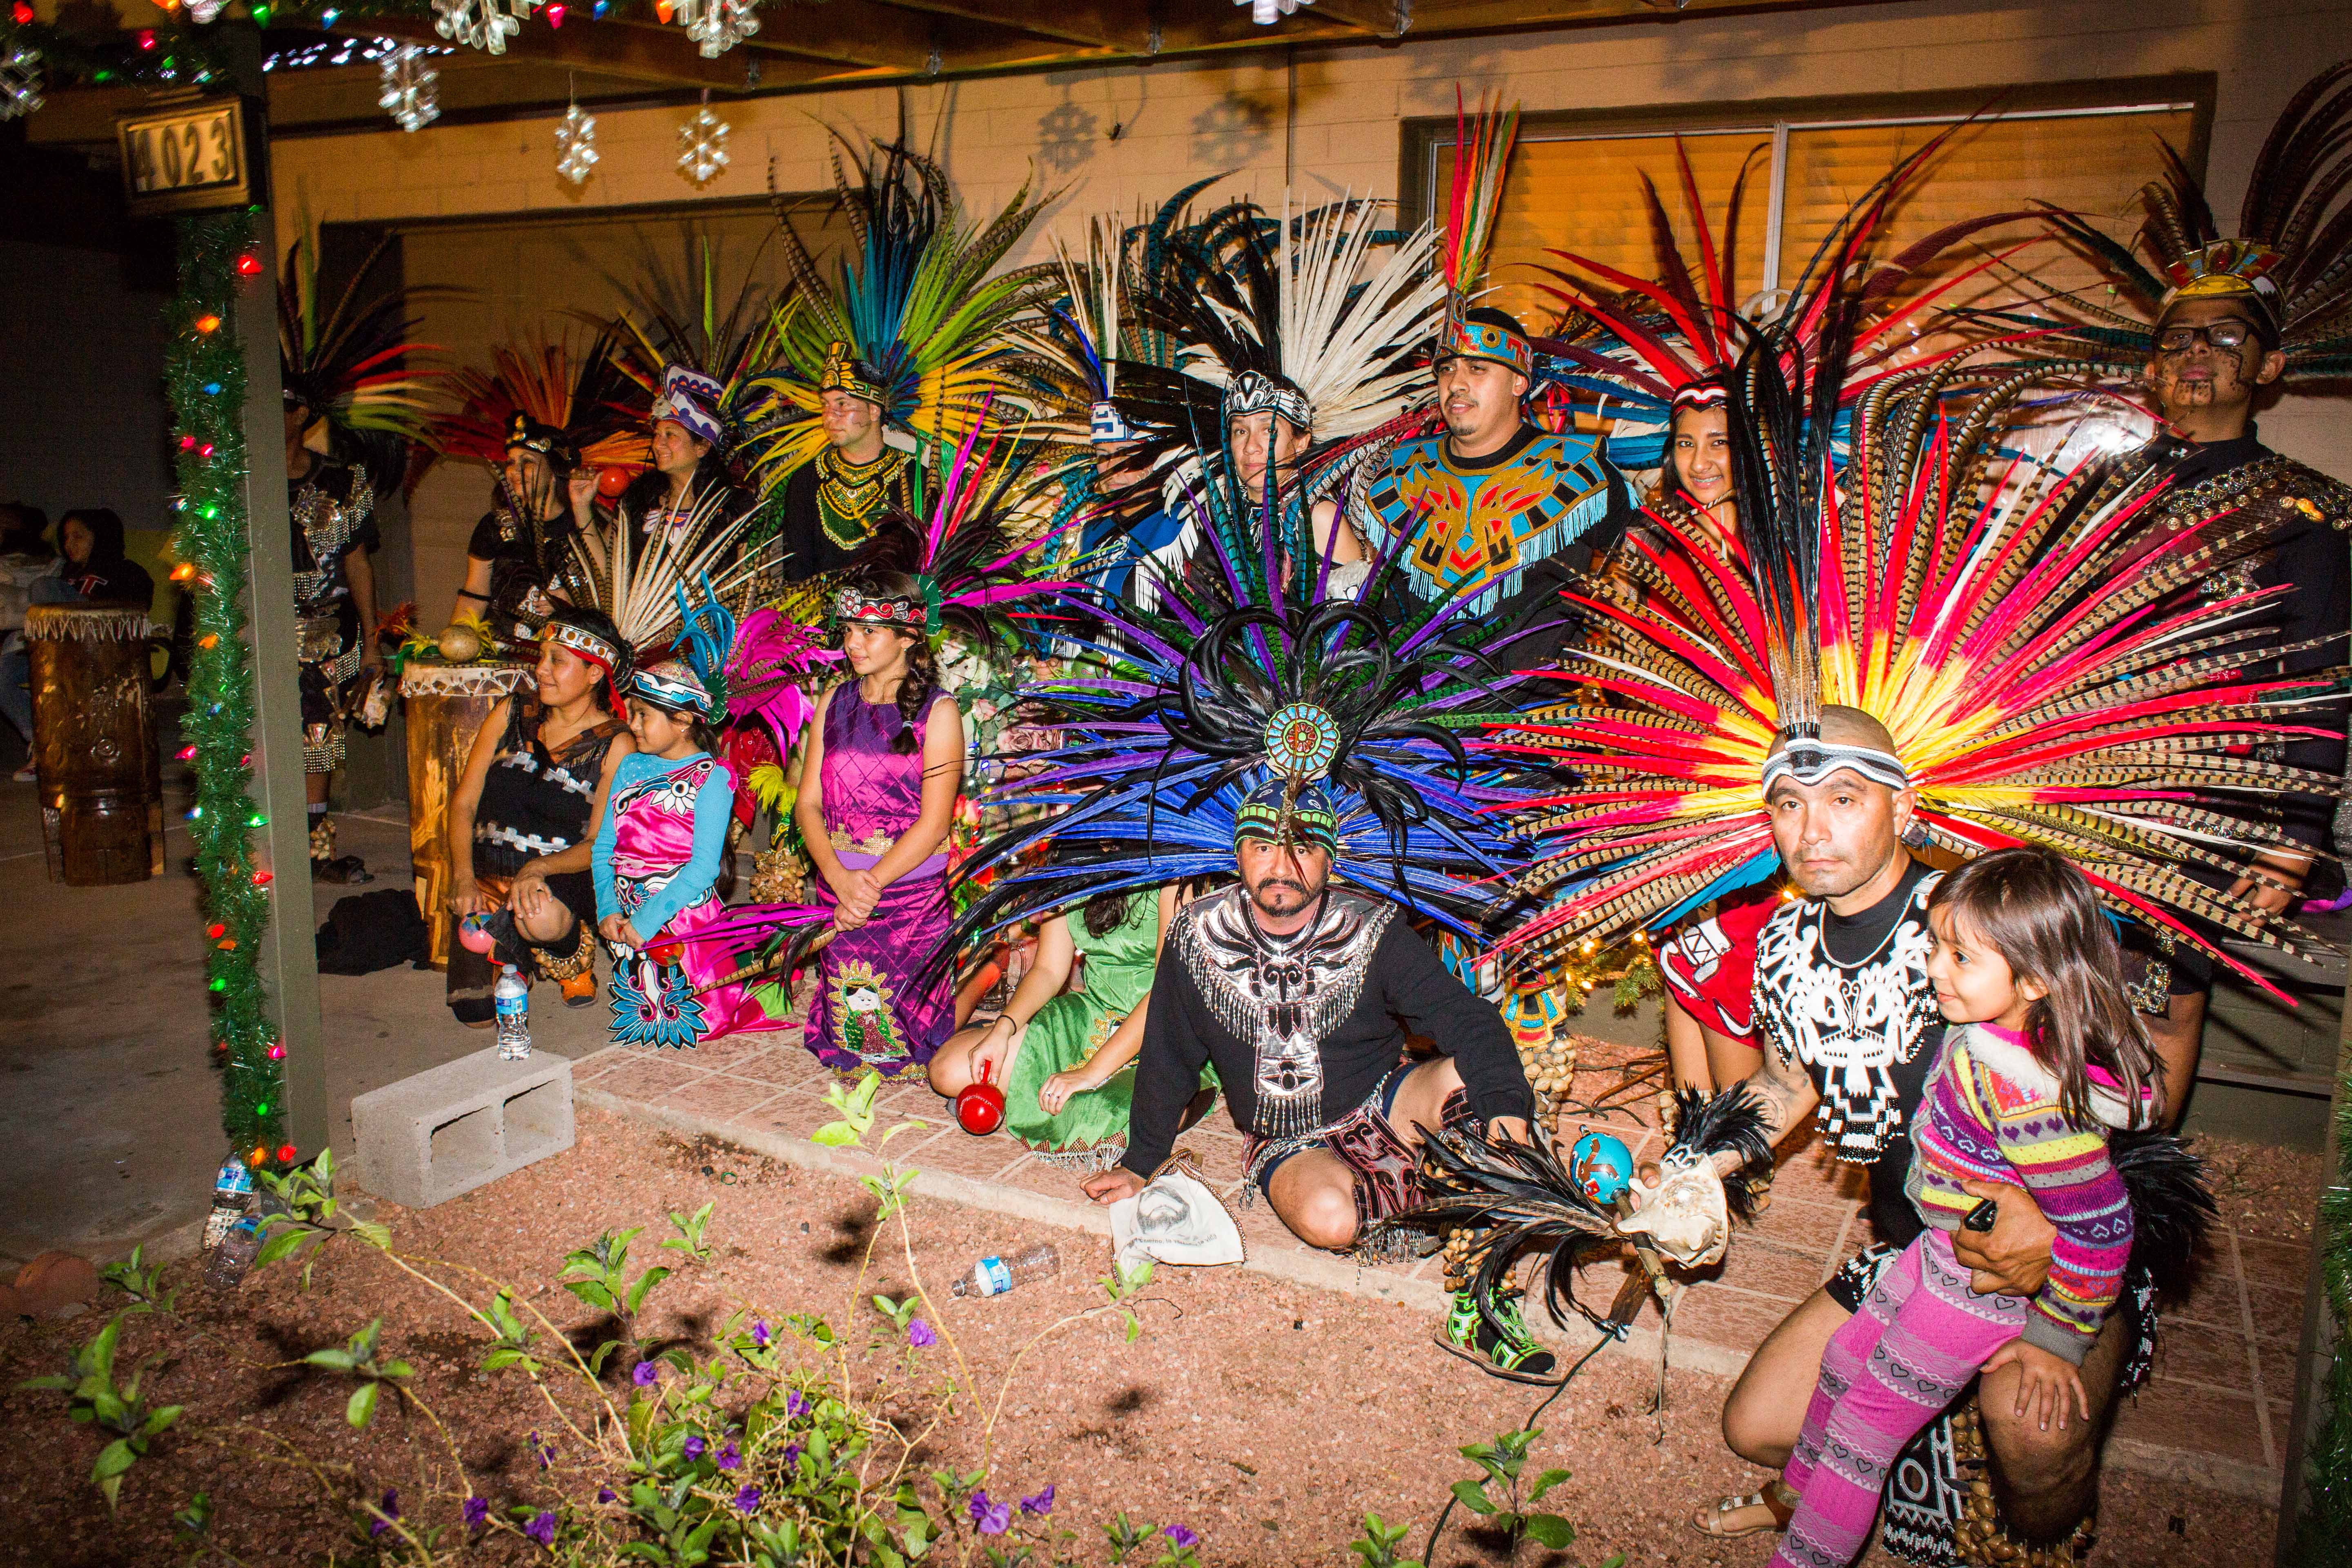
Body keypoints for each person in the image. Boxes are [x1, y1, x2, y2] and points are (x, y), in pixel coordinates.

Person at [1497, 300, 2316, 1557]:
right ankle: (1905, 1426)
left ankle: (2041, 1514)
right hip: (1917, 1248)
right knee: (1757, 1425)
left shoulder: (1991, 925)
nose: (1811, 828)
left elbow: (2127, 1091)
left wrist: (2045, 1227)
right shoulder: (1786, 942)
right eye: (1788, 802)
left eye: (1842, 799)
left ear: (1904, 806)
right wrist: (1701, 1167)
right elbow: (1785, 1083)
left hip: (2064, 1236)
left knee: (2032, 1434)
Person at [1765, 849, 2158, 1568]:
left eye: (1960, 957)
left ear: (2035, 978)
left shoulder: (2031, 1094)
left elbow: (2102, 1227)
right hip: (1938, 1253)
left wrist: (2058, 1338)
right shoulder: (1991, 1030)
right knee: (1844, 1357)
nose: (1935, 969)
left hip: (1978, 1289)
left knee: (1861, 1438)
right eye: (1936, 948)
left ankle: (1808, 1553)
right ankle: (1798, 1490)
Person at [1363, 303, 1633, 637]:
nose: (1456, 384)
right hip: (1412, 671)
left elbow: (1637, 584)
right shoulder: (1399, 473)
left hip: (1541, 672)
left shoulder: (1579, 470)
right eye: (1446, 369)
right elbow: (1385, 605)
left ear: (1519, 382)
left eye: (1477, 368)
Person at [793, 564, 965, 1080]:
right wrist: (839, 879)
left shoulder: (939, 713)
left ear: (909, 637)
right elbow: (808, 804)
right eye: (849, 630)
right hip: (841, 889)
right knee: (854, 1023)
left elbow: (934, 824)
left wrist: (867, 886)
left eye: (869, 631)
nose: (853, 643)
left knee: (913, 1033)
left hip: (908, 898)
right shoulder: (834, 701)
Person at [445, 606, 634, 1024]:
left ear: (595, 673)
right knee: (474, 1013)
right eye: (542, 657)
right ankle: (513, 951)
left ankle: (569, 955)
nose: (541, 670)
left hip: (553, 880)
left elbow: (598, 844)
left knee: (540, 918)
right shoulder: (511, 713)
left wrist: (537, 869)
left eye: (557, 661)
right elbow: (464, 803)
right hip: (487, 876)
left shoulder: (615, 743)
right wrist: (462, 876)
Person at [929, 884, 1200, 1170]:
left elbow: (1166, 992)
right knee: (948, 1072)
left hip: (1164, 1025)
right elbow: (1048, 970)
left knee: (1118, 1114)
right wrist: (1003, 1029)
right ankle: (1009, 1060)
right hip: (1093, 1015)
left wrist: (1090, 1073)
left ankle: (1188, 1098)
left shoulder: (1173, 878)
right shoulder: (1069, 867)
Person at [593, 636, 778, 1049]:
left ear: (682, 721)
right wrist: (607, 908)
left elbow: (703, 869)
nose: (632, 725)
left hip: (681, 923)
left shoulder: (712, 778)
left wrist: (645, 923)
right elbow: (604, 847)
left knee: (694, 1024)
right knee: (646, 1019)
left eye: (643, 715)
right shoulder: (630, 765)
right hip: (628, 918)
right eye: (631, 713)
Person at [283, 420, 383, 884]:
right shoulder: (236, 479)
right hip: (260, 630)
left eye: (290, 404)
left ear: (304, 412)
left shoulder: (341, 482)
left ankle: (314, 848)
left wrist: (372, 643)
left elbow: (358, 564)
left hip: (324, 633)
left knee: (318, 740)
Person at [770, 344, 919, 586]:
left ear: (874, 411)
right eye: (825, 405)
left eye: (842, 404)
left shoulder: (914, 478)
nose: (829, 416)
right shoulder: (806, 480)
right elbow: (797, 573)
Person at [452, 413, 600, 637]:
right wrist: (456, 640)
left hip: (564, 649)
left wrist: (575, 601)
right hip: (498, 646)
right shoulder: (494, 525)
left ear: (553, 472)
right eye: (511, 463)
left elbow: (608, 591)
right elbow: (475, 593)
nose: (515, 472)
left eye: (528, 462)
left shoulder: (586, 523)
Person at [0, 504, 64, 776]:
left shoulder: (58, 566)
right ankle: (43, 741)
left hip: (54, 642)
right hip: (18, 644)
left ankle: (47, 744)